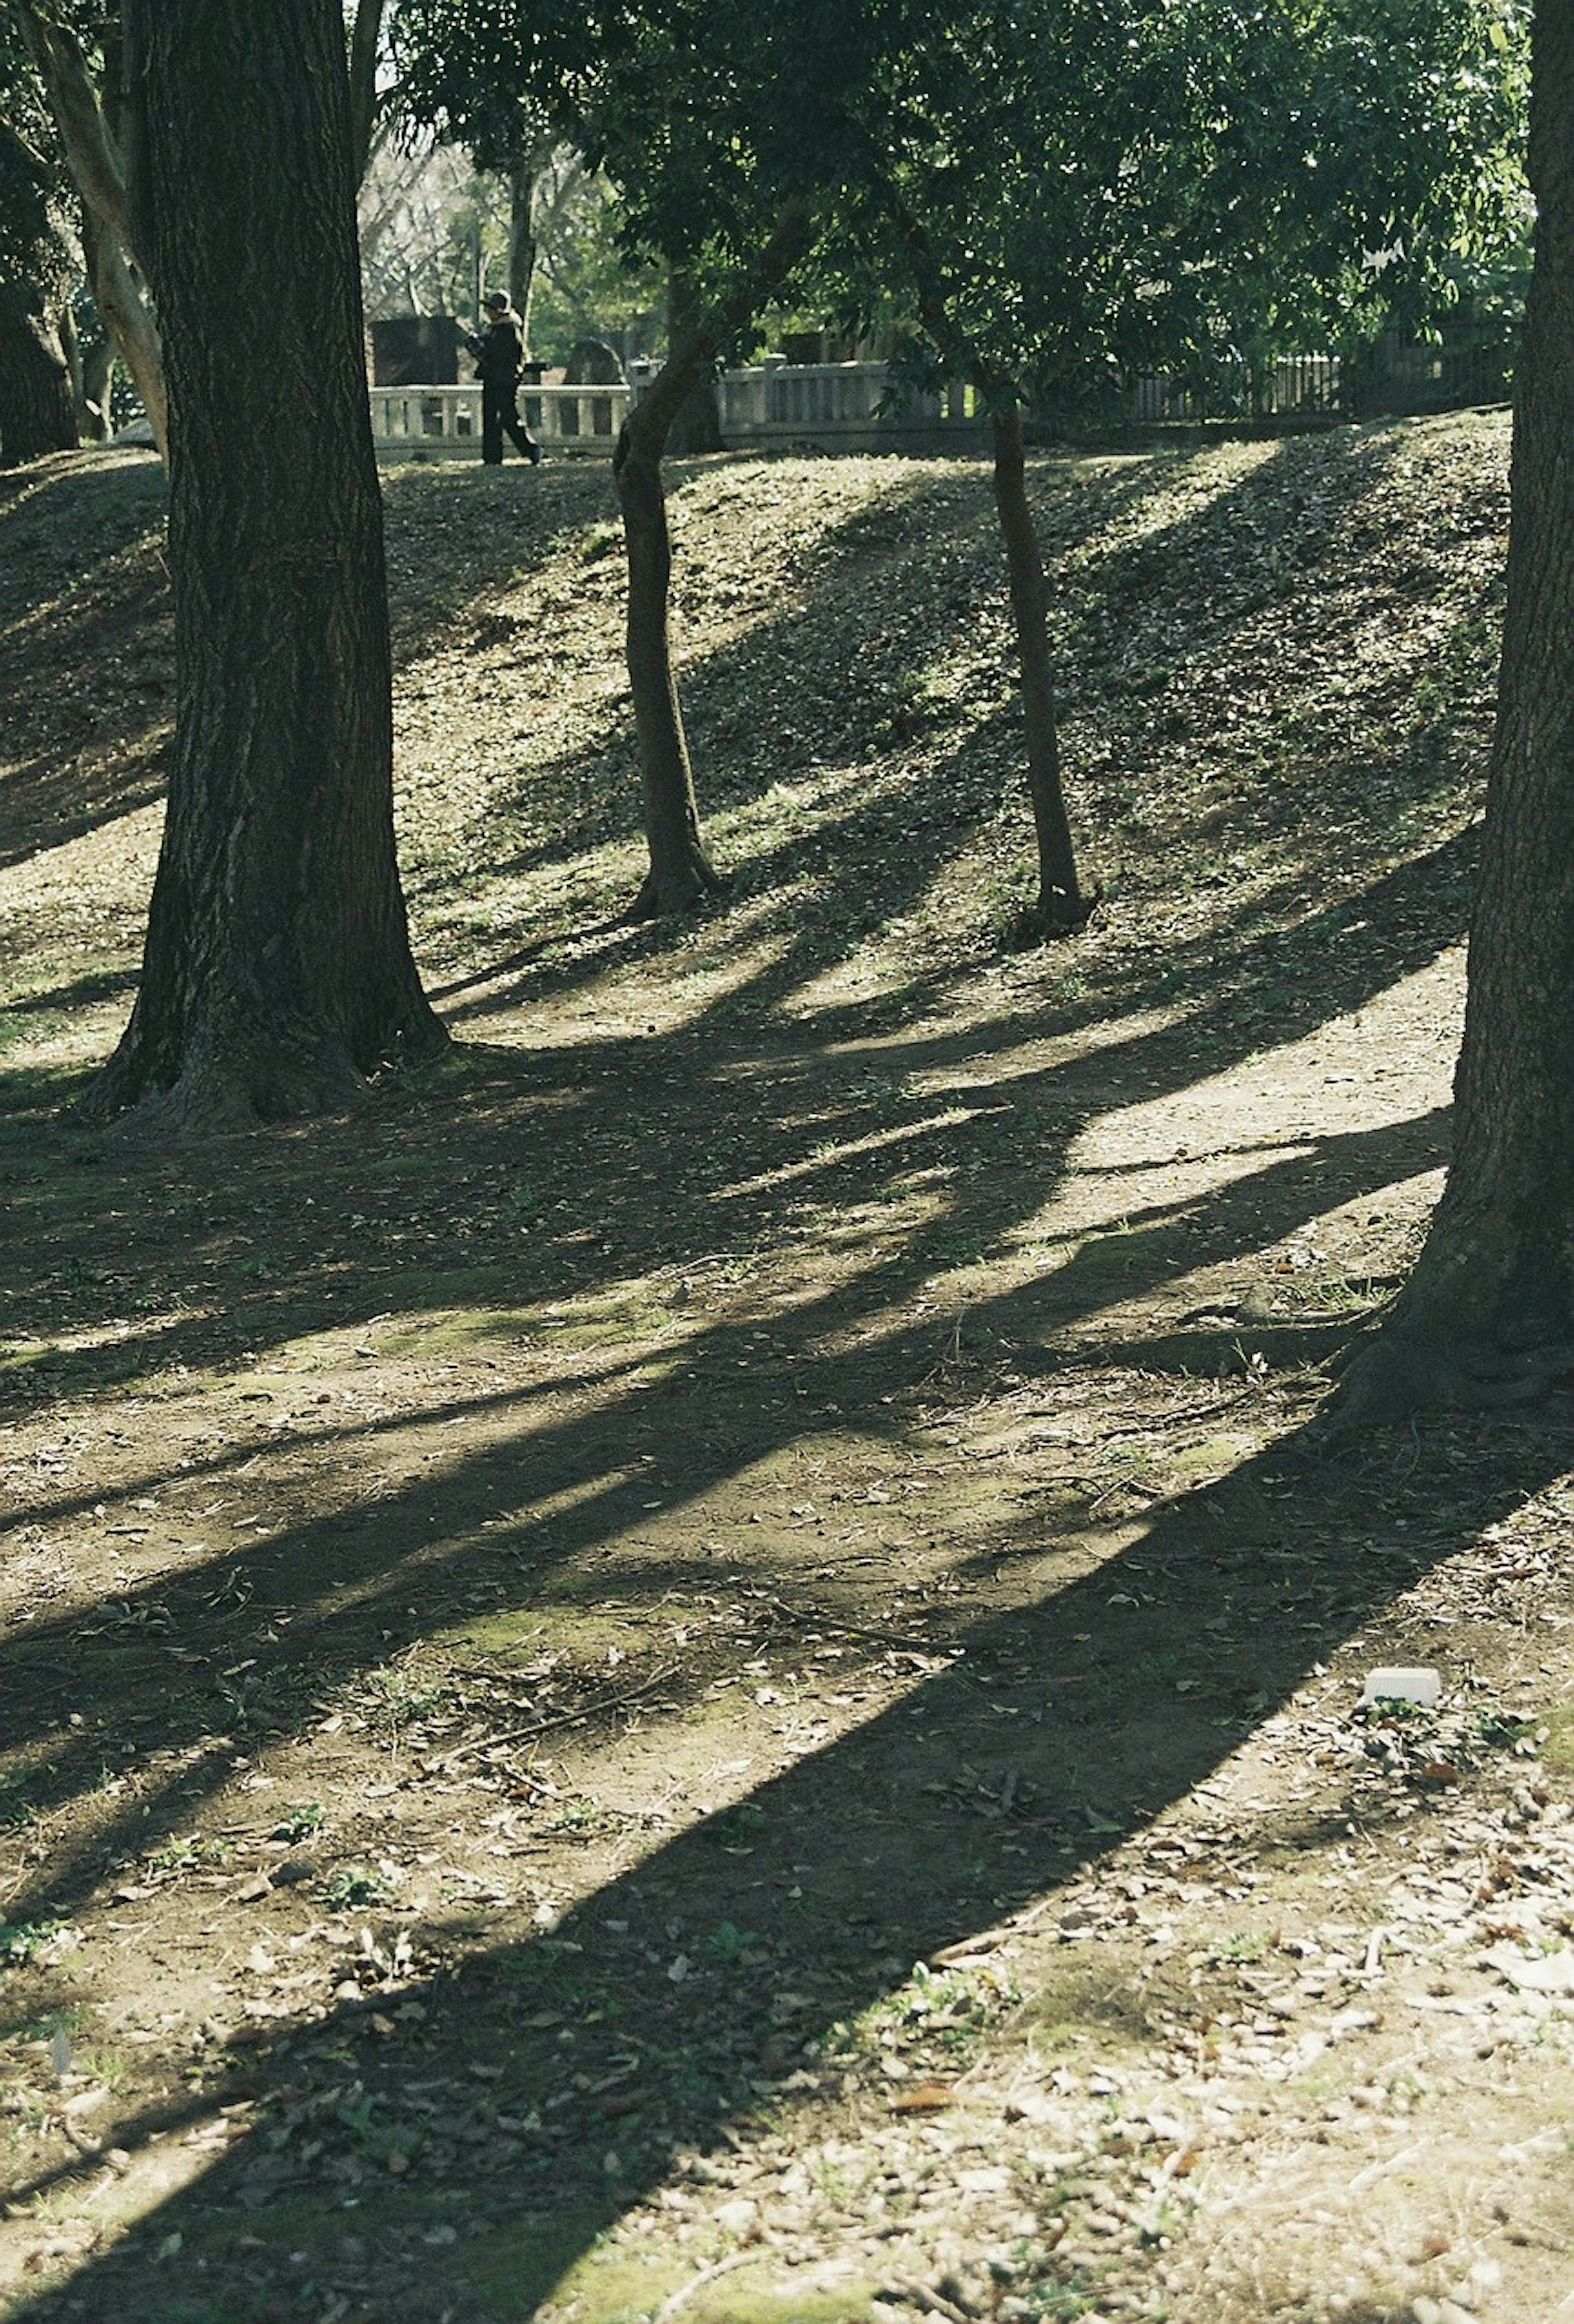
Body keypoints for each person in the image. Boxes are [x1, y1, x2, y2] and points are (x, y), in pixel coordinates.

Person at [463, 291, 543, 467]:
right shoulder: (494, 329)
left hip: (505, 381)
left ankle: (532, 450)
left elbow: (492, 355)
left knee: (509, 418)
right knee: (490, 419)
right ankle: (492, 458)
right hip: (493, 379)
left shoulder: (507, 330)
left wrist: (476, 346)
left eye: (491, 309)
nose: (488, 312)